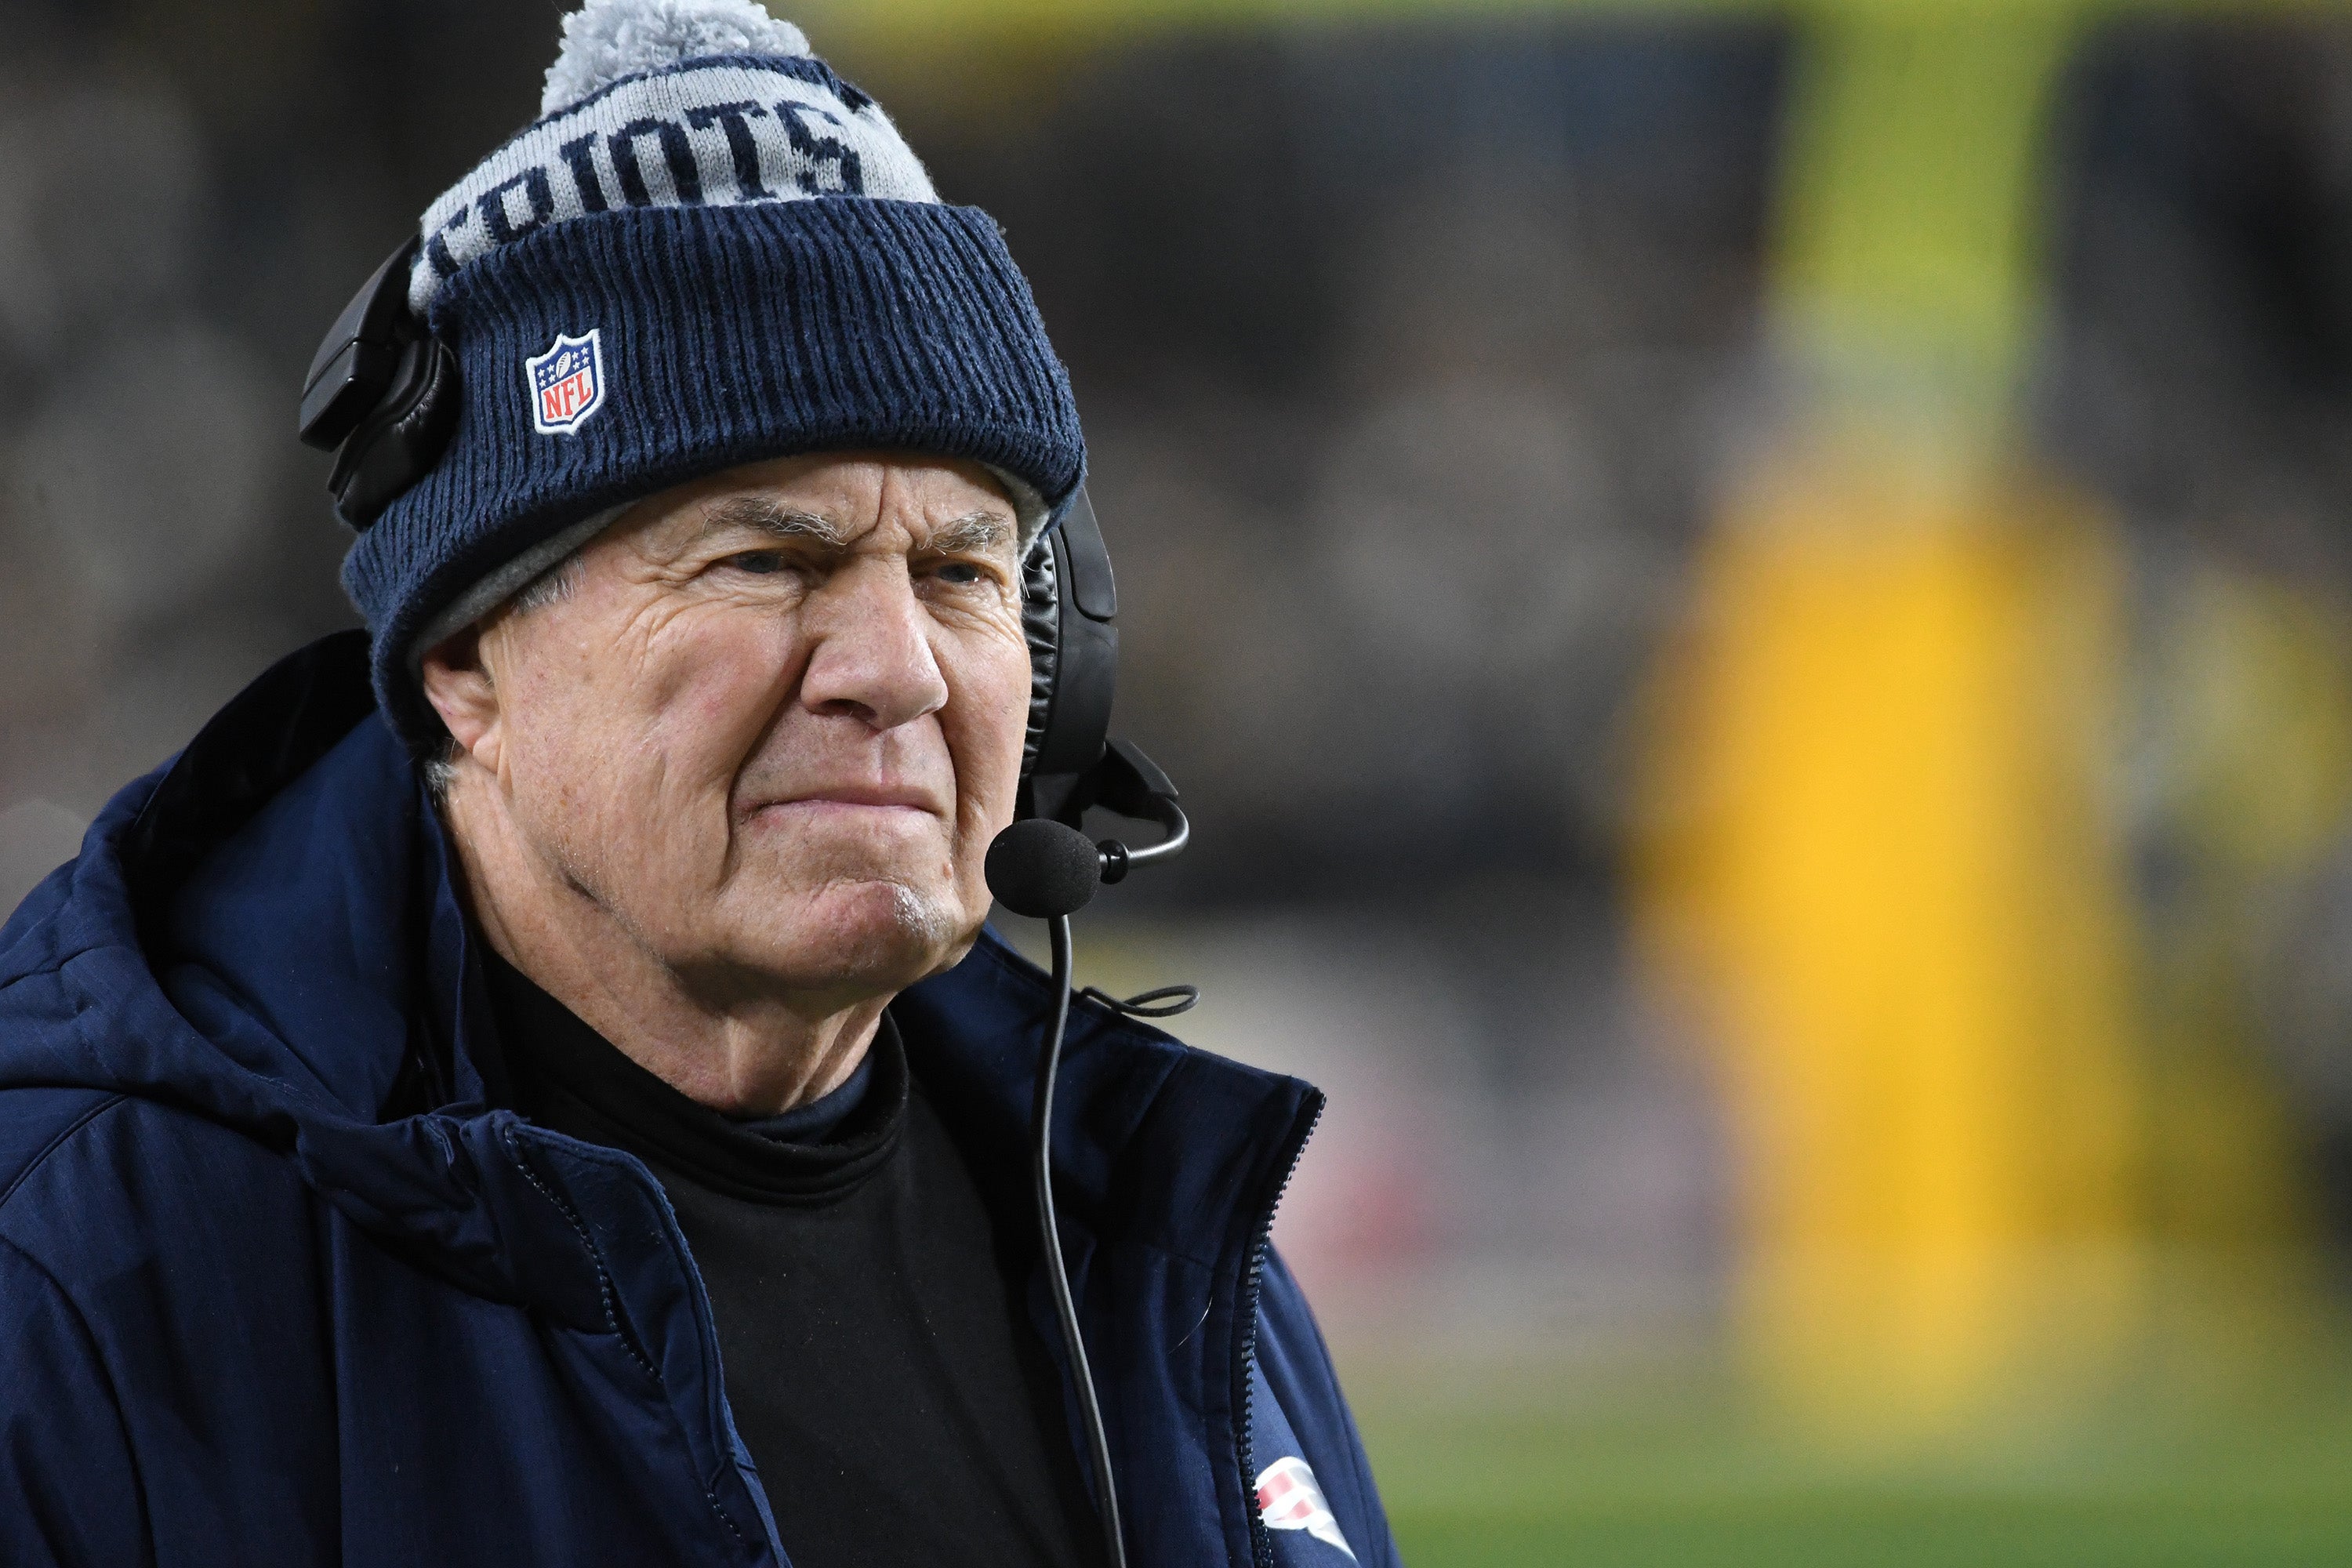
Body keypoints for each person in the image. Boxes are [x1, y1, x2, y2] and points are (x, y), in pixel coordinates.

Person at [0, 5, 1395, 1565]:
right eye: (764, 559)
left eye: (959, 569)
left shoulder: (1172, 1260)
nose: (895, 666)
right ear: (466, 659)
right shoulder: (72, 1286)